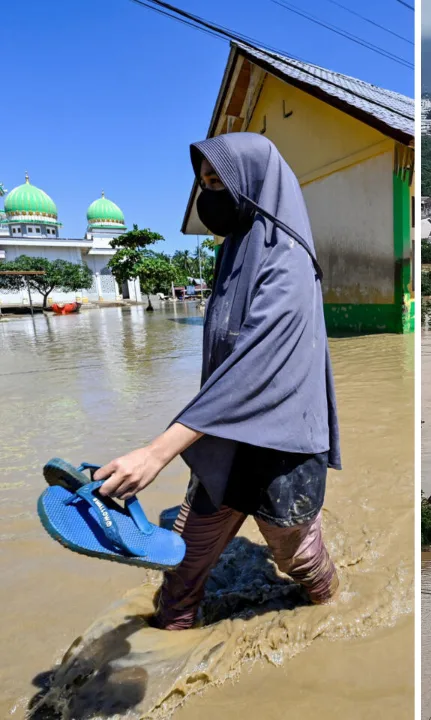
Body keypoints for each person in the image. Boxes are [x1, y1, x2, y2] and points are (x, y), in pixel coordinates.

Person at [93, 133, 341, 630]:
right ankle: (168, 637)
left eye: (218, 182)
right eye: (204, 183)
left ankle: (334, 611)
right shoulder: (234, 250)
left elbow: (254, 366)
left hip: (282, 449)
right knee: (183, 567)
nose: (209, 194)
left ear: (253, 183)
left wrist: (157, 452)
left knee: (297, 561)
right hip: (225, 437)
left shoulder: (288, 258)